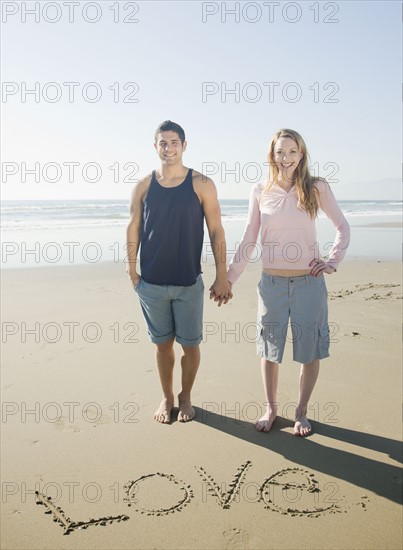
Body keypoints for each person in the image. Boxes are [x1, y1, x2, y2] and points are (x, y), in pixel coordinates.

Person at [227, 129, 350, 437]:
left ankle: (301, 412)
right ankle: (271, 408)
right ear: (272, 155)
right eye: (280, 152)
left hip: (309, 285)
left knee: (308, 352)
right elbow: (248, 239)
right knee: (269, 351)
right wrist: (228, 278)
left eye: (292, 151)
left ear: (302, 154)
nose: (286, 158)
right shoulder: (259, 190)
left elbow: (342, 226)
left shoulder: (316, 187)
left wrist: (332, 261)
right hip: (272, 285)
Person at [126, 120, 232, 424]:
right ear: (155, 146)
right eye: (163, 143)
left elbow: (216, 231)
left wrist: (221, 275)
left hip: (189, 283)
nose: (168, 148)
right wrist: (132, 270)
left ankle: (185, 397)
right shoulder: (144, 186)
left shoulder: (201, 184)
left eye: (174, 142)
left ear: (184, 146)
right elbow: (133, 226)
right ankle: (167, 397)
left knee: (191, 345)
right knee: (162, 347)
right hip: (152, 284)